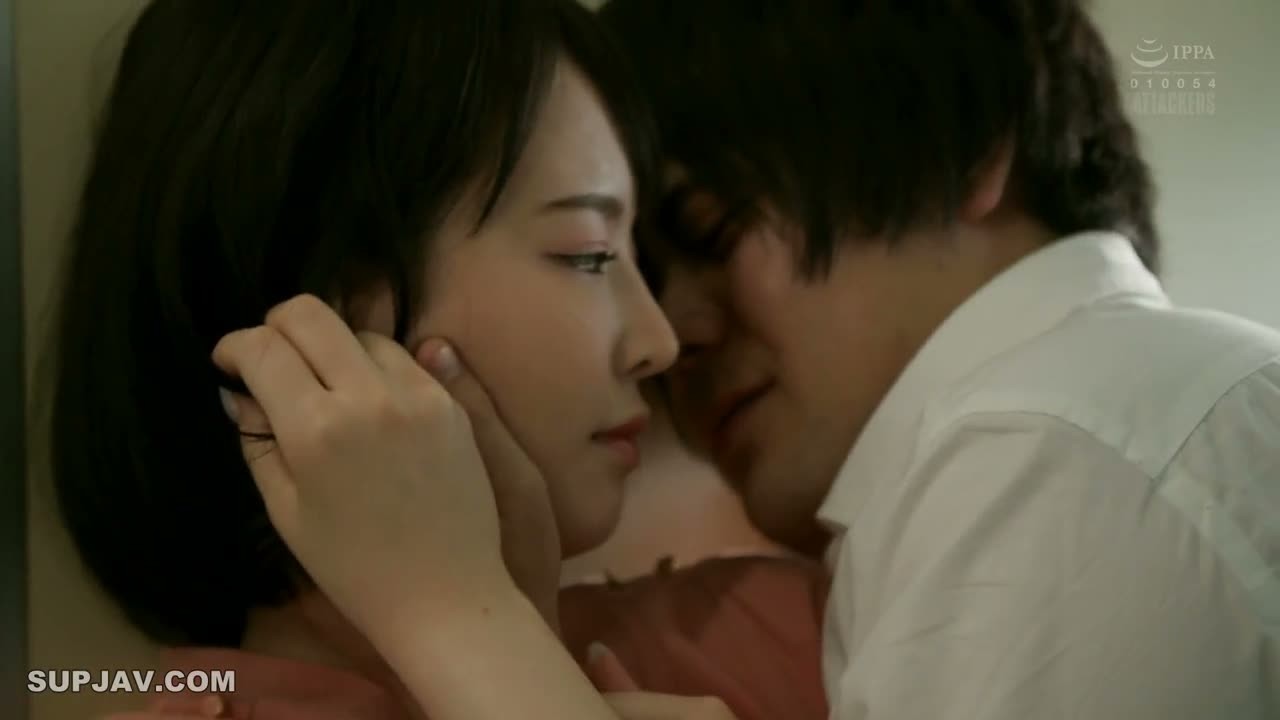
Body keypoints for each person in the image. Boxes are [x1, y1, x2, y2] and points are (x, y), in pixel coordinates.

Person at [46, 1, 827, 719]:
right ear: (323, 311)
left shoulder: (799, 638)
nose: (659, 343)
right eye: (588, 255)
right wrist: (451, 615)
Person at [592, 0, 1280, 717]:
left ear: (966, 148)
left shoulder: (1034, 454)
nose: (668, 336)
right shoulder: (1114, 421)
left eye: (711, 227)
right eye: (640, 279)